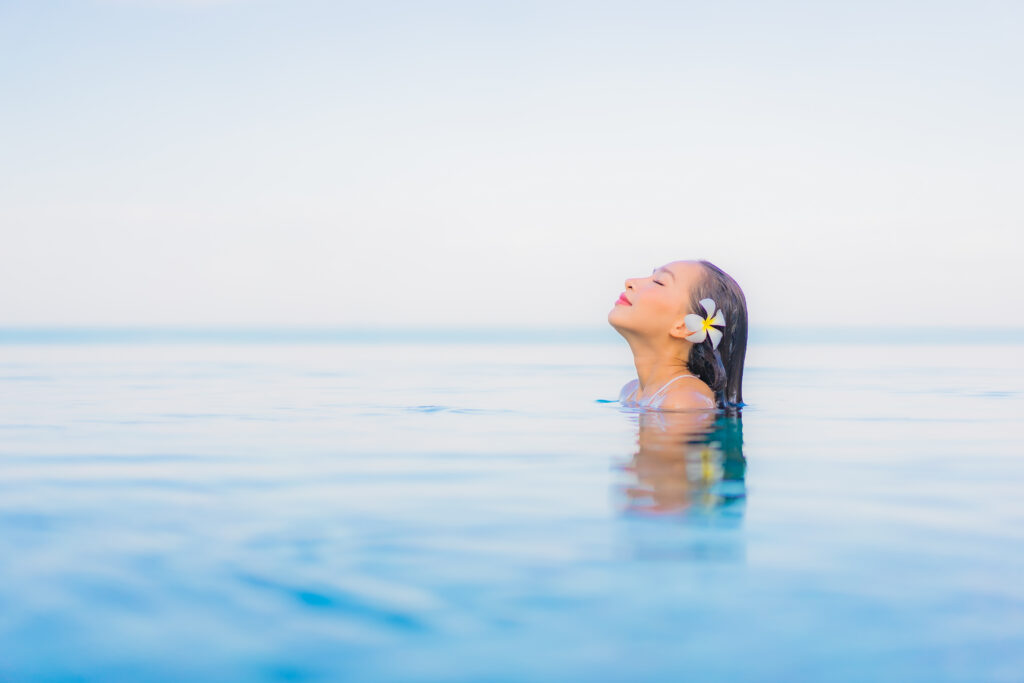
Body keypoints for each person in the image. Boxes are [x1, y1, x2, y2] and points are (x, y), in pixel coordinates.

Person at [608, 259, 748, 412]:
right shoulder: (630, 392)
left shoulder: (684, 401)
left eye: (658, 282)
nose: (629, 282)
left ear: (685, 326)